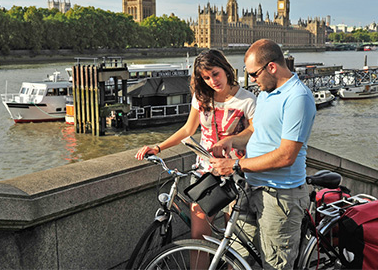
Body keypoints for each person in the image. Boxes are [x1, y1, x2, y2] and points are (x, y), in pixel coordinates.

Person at [209, 39, 316, 270]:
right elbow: (257, 130)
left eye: (254, 74)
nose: (252, 81)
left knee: (275, 264)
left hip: (279, 196)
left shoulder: (298, 98)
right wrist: (232, 140)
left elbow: (286, 156)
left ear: (272, 67)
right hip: (250, 188)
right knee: (235, 259)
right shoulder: (268, 91)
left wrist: (237, 165)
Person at [135, 49, 256, 242]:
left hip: (235, 174)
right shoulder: (201, 98)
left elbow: (254, 131)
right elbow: (188, 130)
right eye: (206, 78)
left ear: (225, 69)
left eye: (215, 74)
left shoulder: (247, 100)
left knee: (233, 240)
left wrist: (230, 140)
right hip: (205, 174)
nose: (212, 81)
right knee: (198, 238)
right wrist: (158, 148)